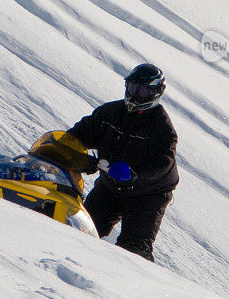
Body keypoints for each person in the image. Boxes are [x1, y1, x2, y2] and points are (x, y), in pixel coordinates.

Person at [67, 63, 178, 261]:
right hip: (110, 185)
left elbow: (163, 162)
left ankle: (127, 287)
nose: (135, 94)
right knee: (80, 228)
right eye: (132, 87)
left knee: (134, 250)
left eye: (142, 90)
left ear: (155, 93)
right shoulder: (110, 113)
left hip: (148, 194)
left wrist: (136, 175)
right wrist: (69, 151)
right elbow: (79, 134)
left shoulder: (162, 126)